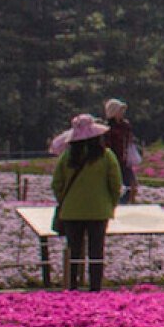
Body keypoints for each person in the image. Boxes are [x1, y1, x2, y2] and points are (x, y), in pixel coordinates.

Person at [50, 113, 124, 290]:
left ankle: (72, 285)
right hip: (99, 210)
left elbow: (56, 184)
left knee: (74, 251)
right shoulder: (106, 156)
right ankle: (95, 287)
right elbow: (116, 184)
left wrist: (65, 201)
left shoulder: (66, 157)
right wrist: (110, 203)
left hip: (71, 211)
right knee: (96, 251)